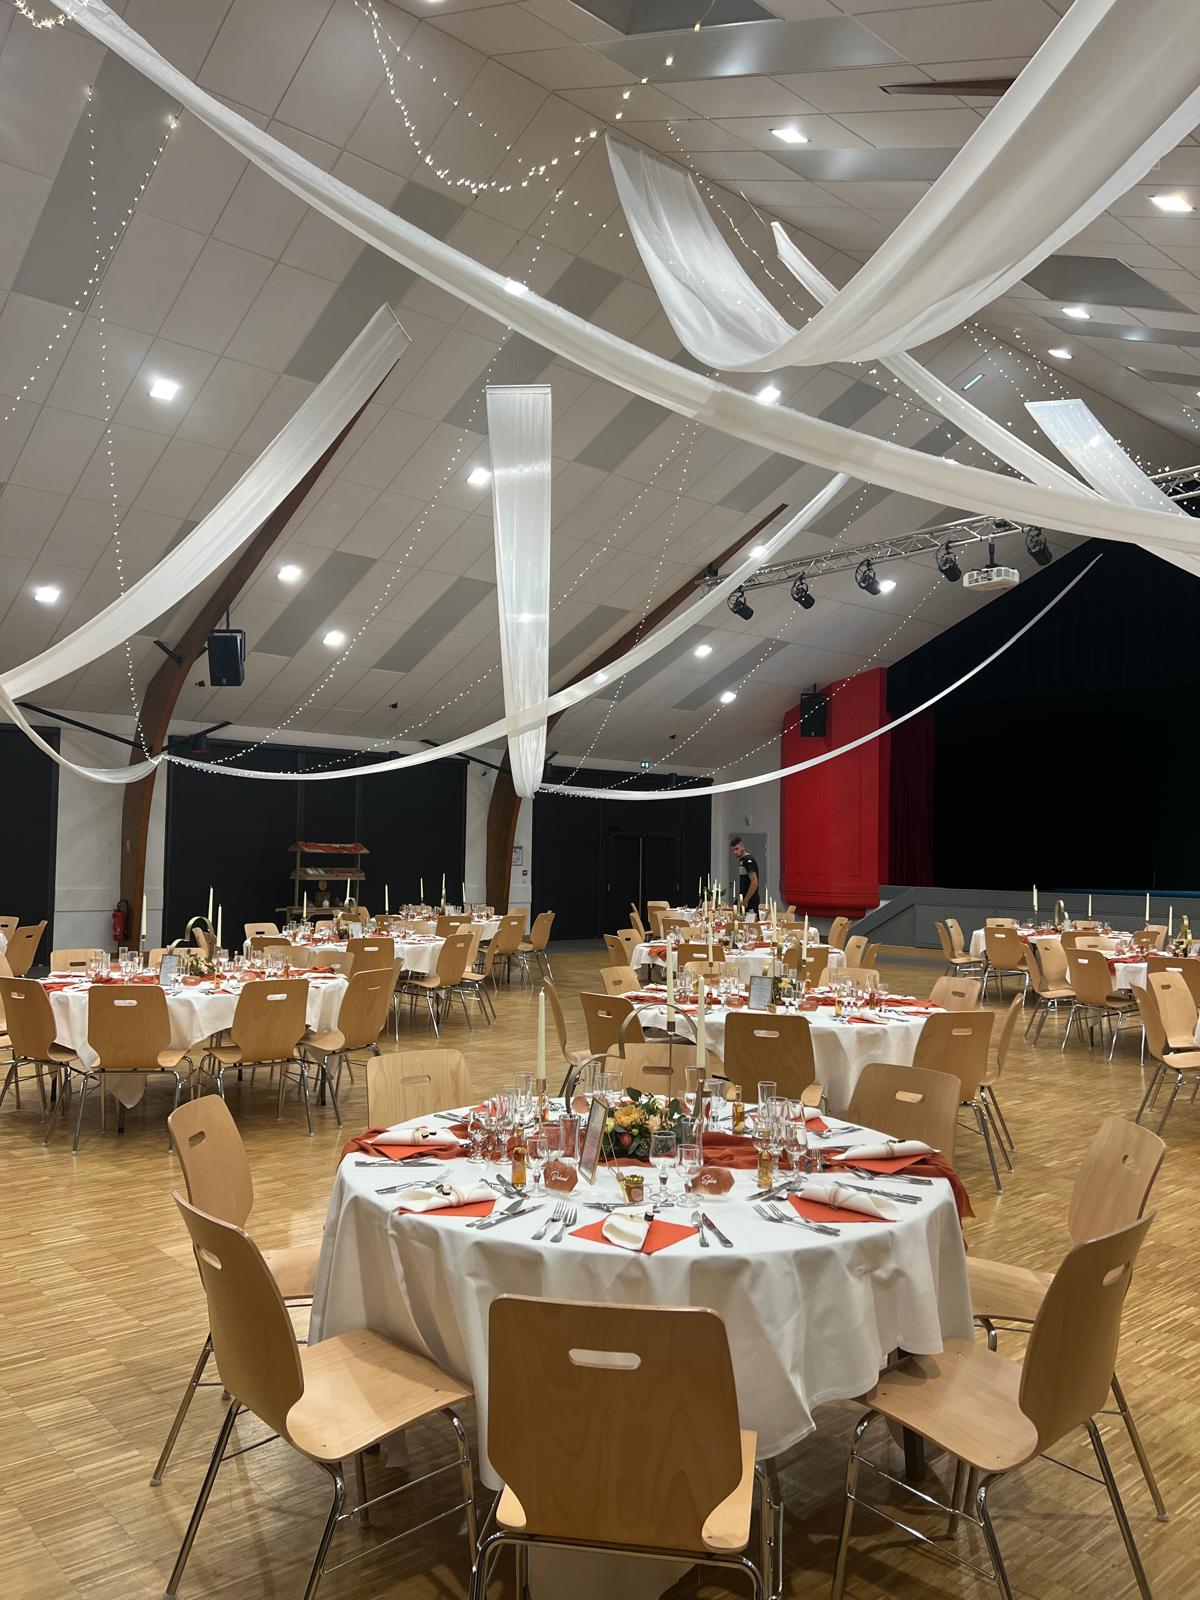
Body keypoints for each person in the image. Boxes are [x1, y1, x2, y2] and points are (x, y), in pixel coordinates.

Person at [730, 837, 760, 915]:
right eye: (732, 850)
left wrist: (745, 901)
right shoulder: (742, 861)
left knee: (750, 925)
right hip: (743, 899)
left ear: (743, 847)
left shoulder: (748, 861)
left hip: (750, 900)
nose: (735, 852)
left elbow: (754, 882)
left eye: (736, 849)